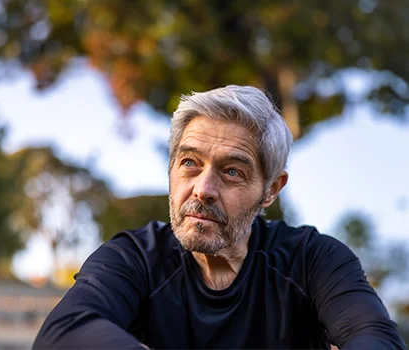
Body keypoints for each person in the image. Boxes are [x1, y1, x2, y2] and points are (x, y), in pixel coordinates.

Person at [33, 85, 406, 349]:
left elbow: (374, 336)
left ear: (271, 190)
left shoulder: (313, 259)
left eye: (232, 172)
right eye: (190, 163)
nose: (203, 189)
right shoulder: (135, 257)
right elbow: (62, 334)